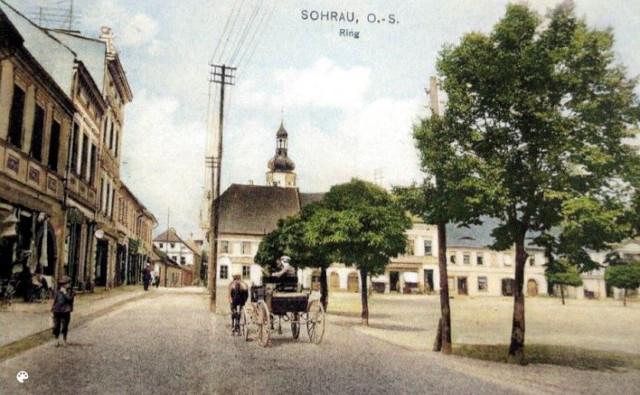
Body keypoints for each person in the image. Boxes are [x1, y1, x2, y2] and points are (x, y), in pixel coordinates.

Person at [51, 275, 74, 347]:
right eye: (63, 284)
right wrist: (53, 309)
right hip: (57, 311)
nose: (65, 285)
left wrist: (65, 293)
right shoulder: (58, 292)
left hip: (65, 311)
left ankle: (64, 340)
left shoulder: (70, 292)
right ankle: (56, 340)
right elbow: (55, 301)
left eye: (66, 283)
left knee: (64, 326)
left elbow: (70, 300)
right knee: (56, 326)